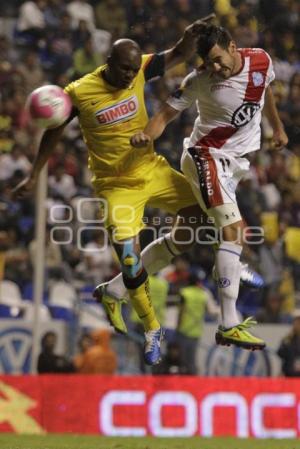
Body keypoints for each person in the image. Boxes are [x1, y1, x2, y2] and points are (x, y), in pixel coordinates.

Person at [13, 15, 215, 366]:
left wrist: (188, 37)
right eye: (123, 70)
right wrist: (34, 174)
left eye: (133, 70)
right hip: (115, 185)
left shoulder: (141, 69)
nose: (129, 76)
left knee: (201, 217)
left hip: (151, 169)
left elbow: (179, 53)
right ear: (108, 63)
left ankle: (115, 289)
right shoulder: (79, 92)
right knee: (128, 254)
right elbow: (54, 132)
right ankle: (152, 327)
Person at [131, 24, 289, 350]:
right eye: (208, 62)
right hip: (206, 157)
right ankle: (228, 322)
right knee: (234, 231)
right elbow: (164, 114)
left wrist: (278, 127)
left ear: (233, 46)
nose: (215, 68)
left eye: (218, 59)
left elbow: (265, 90)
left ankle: (117, 288)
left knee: (185, 236)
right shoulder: (199, 79)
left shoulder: (261, 60)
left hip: (235, 164)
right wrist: (147, 134)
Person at [277, 310, 300, 376]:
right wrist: (286, 343)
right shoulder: (288, 339)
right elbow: (280, 353)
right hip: (289, 375)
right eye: (297, 322)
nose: (298, 325)